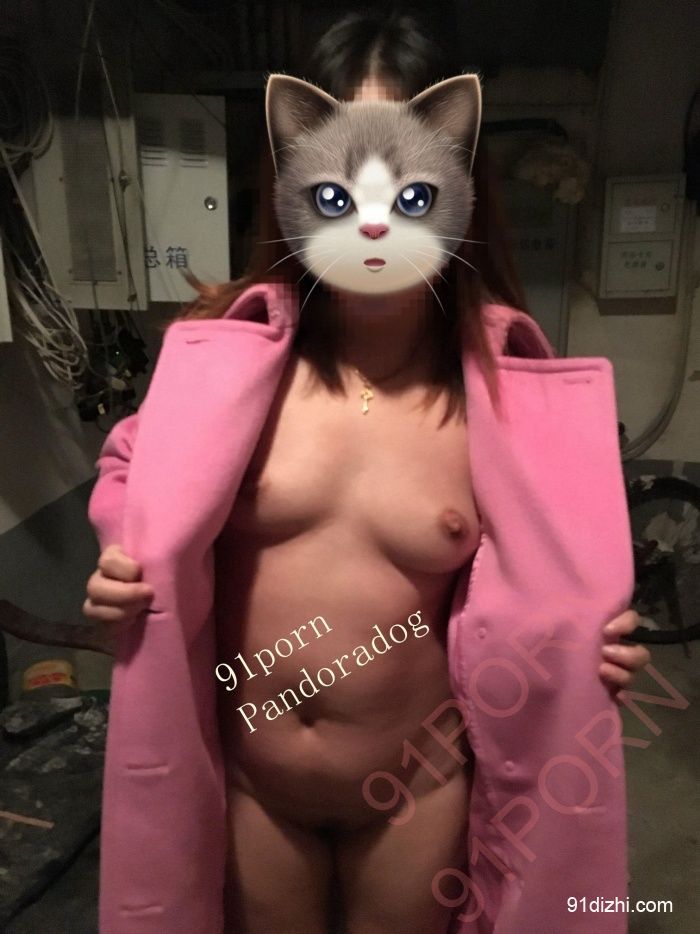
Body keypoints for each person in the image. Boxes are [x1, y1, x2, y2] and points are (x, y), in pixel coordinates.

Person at [84, 11, 650, 933]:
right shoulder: (227, 360)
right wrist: (125, 557)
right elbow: (129, 466)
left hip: (416, 795)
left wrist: (585, 645)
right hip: (256, 787)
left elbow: (556, 583)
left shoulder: (508, 399)